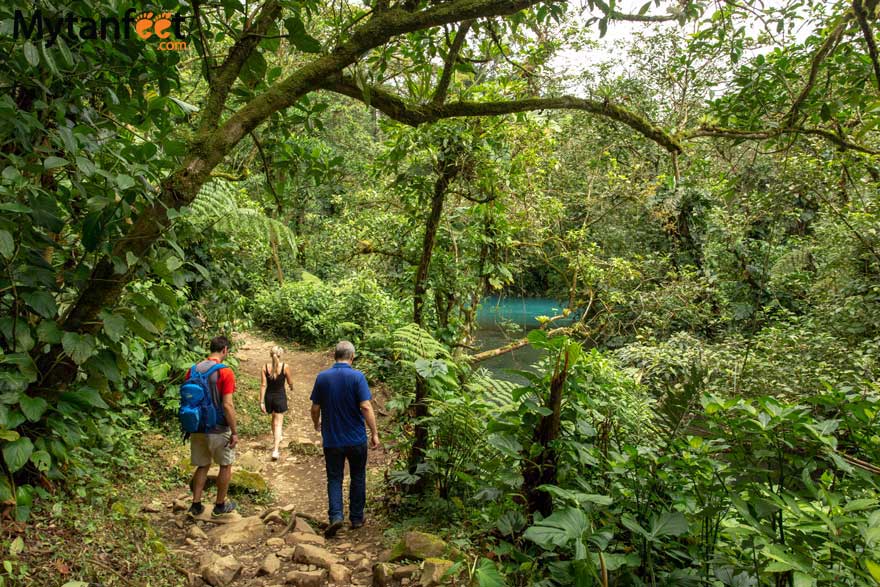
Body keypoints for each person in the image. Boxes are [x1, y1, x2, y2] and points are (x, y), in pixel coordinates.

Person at [310, 340, 380, 538]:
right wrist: (374, 432)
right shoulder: (357, 377)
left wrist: (317, 424)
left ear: (335, 356)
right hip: (356, 439)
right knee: (358, 476)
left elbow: (315, 408)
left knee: (334, 477)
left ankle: (336, 516)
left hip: (332, 439)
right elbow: (365, 406)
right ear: (352, 357)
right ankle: (357, 518)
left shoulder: (322, 378)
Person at [188, 335, 239, 517]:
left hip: (197, 426)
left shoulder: (193, 370)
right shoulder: (225, 372)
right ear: (224, 350)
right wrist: (234, 432)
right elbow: (227, 405)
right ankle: (219, 505)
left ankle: (195, 505)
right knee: (225, 465)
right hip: (218, 428)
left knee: (202, 465)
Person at [260, 345, 293, 460]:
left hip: (269, 397)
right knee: (278, 423)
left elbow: (263, 385)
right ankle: (275, 450)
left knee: (274, 420)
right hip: (280, 397)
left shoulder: (264, 367)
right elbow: (289, 381)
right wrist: (291, 386)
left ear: (270, 355)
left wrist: (261, 402)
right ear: (280, 355)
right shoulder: (285, 366)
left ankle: (277, 438)